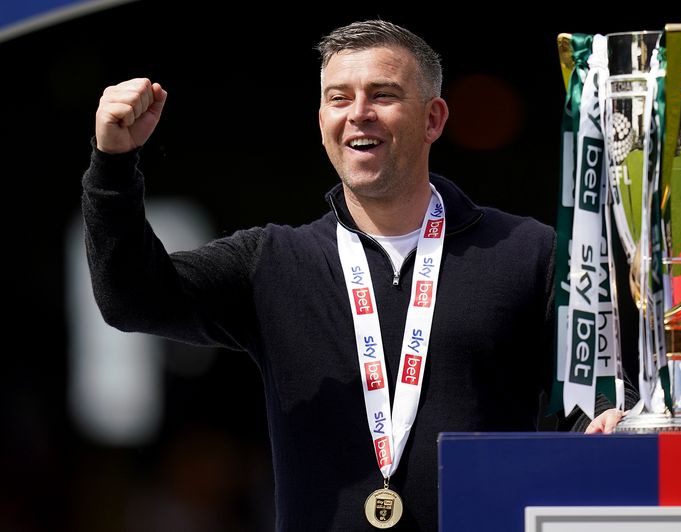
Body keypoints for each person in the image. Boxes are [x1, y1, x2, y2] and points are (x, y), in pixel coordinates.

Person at [83, 20, 555, 531]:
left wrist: (605, 419)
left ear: (433, 118)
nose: (359, 114)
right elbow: (131, 299)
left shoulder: (527, 252)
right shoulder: (272, 262)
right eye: (339, 98)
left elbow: (594, 397)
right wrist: (113, 166)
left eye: (383, 94)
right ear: (322, 120)